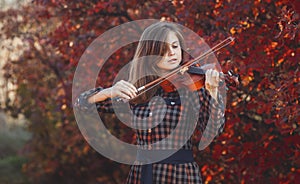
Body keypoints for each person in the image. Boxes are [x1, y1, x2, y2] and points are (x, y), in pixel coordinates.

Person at [74, 21, 225, 184]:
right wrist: (108, 92)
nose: (172, 53)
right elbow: (82, 104)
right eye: (163, 50)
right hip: (143, 173)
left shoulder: (194, 88)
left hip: (180, 174)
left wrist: (213, 93)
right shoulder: (139, 91)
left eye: (175, 46)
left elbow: (213, 132)